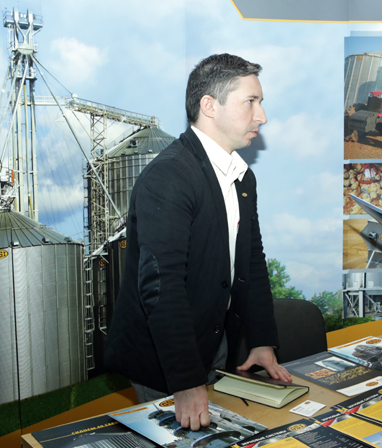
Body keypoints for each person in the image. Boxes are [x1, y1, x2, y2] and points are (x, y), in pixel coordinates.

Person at [106, 53, 291, 431]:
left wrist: (261, 340)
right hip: (164, 360)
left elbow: (252, 262)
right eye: (250, 102)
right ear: (210, 105)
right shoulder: (170, 176)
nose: (262, 116)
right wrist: (186, 380)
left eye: (260, 102)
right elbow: (161, 286)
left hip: (213, 341)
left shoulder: (243, 178)